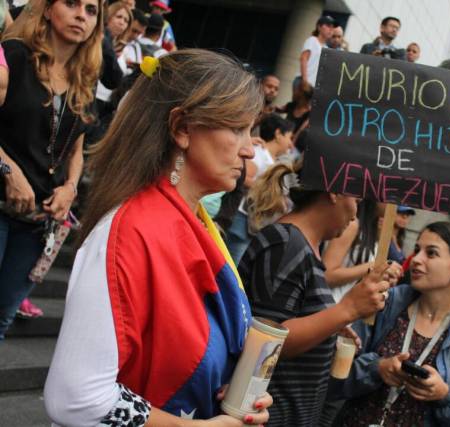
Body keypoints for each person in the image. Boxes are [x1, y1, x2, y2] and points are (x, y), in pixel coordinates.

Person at [44, 50, 273, 425]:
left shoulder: (197, 225)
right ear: (182, 128)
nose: (249, 149)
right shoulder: (130, 231)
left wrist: (233, 391)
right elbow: (75, 397)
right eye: (237, 129)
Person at [239, 161, 391, 426]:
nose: (356, 214)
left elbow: (292, 319)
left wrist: (331, 326)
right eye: (356, 198)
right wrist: (346, 310)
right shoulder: (287, 244)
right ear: (335, 192)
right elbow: (264, 343)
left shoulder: (304, 247)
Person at [0, 0, 102, 337]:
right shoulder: (13, 54)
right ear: (46, 9)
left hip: (38, 224)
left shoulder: (84, 80)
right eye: (71, 4)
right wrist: (9, 171)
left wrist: (71, 186)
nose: (80, 16)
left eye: (90, 10)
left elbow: (76, 149)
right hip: (1, 203)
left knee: (2, 316)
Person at [334, 221, 450, 426]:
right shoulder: (383, 303)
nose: (416, 259)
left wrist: (445, 395)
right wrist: (377, 369)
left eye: (431, 253)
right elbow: (334, 377)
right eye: (416, 250)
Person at [224, 114, 294, 263]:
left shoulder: (273, 158)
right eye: (289, 137)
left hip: (253, 222)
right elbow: (243, 178)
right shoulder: (259, 153)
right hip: (243, 221)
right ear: (278, 134)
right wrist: (271, 189)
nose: (290, 144)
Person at [298, 15, 335, 89]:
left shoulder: (327, 48)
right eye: (328, 26)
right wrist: (305, 80)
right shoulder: (312, 40)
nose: (330, 29)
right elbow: (303, 58)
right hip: (303, 82)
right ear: (319, 27)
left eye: (332, 27)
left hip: (313, 87)